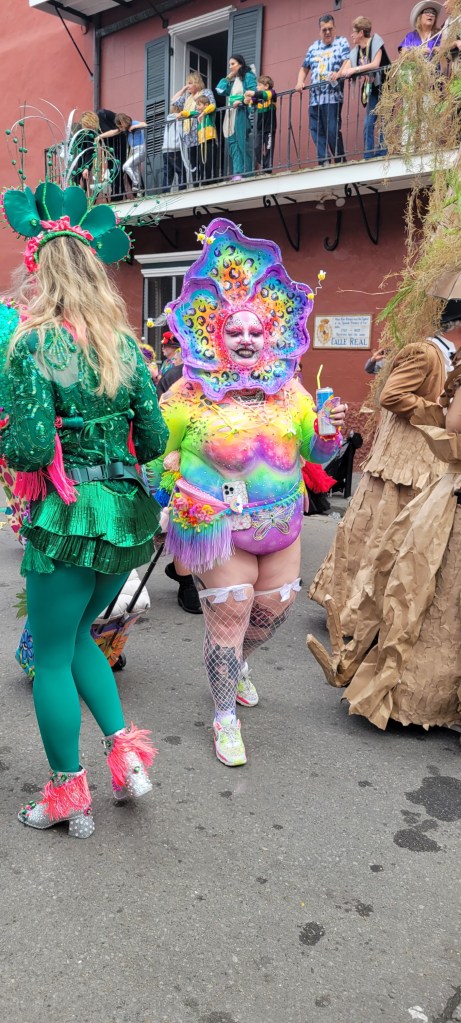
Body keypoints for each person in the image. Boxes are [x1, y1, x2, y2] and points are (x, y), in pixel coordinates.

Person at [0, 180, 169, 836]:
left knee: (49, 655)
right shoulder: (123, 346)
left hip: (67, 517)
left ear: (41, 273)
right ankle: (127, 758)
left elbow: (28, 447)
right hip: (124, 516)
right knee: (77, 640)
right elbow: (153, 438)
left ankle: (68, 793)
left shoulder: (33, 345)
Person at [146, 218, 346, 767]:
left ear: (270, 335)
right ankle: (223, 717)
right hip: (217, 524)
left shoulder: (291, 391)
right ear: (216, 334)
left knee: (275, 609)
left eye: (255, 331)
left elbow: (316, 455)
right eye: (234, 331)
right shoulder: (188, 392)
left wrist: (327, 433)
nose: (246, 339)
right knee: (231, 613)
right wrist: (169, 488)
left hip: (280, 521)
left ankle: (236, 666)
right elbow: (154, 448)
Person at [309, 301, 461, 732]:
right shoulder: (425, 352)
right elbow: (391, 395)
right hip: (403, 461)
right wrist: (438, 412)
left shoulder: (449, 359)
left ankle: (363, 622)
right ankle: (354, 616)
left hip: (426, 464)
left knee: (397, 553)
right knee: (379, 542)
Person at [295, 14, 350, 166]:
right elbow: (304, 68)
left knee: (332, 130)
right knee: (316, 130)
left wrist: (339, 73)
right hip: (315, 99)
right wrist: (300, 82)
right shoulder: (313, 47)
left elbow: (348, 61)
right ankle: (324, 161)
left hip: (333, 97)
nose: (327, 32)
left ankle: (340, 160)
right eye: (324, 29)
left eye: (330, 29)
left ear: (334, 28)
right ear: (319, 31)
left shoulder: (341, 42)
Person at [339, 17, 389, 159]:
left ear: (361, 33)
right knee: (368, 122)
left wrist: (355, 69)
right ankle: (368, 155)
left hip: (387, 85)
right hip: (373, 88)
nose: (351, 35)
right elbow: (344, 70)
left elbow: (375, 64)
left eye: (354, 32)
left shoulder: (376, 42)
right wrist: (340, 73)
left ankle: (382, 153)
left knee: (384, 120)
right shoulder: (356, 51)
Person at [216, 55, 258, 180]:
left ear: (240, 64)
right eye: (229, 64)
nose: (230, 67)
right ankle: (238, 173)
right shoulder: (234, 81)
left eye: (233, 64)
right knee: (233, 144)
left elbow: (253, 92)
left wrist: (240, 101)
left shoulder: (248, 76)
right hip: (231, 114)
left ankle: (248, 173)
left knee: (241, 143)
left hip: (241, 112)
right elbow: (219, 90)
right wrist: (228, 77)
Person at [171, 73, 215, 185]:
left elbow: (212, 105)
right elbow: (173, 101)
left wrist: (202, 112)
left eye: (190, 83)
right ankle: (195, 185)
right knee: (194, 163)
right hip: (190, 136)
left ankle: (205, 184)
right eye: (187, 83)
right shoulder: (187, 99)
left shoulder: (205, 92)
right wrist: (183, 89)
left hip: (202, 133)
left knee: (203, 161)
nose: (188, 86)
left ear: (197, 83)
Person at [98, 113, 147, 197]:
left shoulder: (134, 123)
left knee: (125, 166)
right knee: (135, 169)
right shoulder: (124, 129)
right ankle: (140, 189)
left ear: (123, 122)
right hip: (134, 151)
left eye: (120, 126)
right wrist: (100, 136)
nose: (120, 128)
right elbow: (113, 132)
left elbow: (144, 124)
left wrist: (134, 127)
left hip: (140, 150)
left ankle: (135, 183)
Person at [244, 74, 278, 173]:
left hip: (270, 127)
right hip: (260, 128)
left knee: (269, 148)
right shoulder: (258, 98)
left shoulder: (272, 93)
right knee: (256, 148)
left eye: (259, 85)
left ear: (266, 86)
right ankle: (265, 165)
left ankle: (268, 169)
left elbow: (265, 95)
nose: (257, 87)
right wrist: (245, 100)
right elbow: (250, 101)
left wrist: (253, 93)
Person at [162, 102, 189, 191]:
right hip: (174, 149)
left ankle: (165, 192)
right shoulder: (178, 119)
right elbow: (181, 133)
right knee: (181, 171)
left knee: (168, 174)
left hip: (165, 150)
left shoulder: (168, 118)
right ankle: (182, 190)